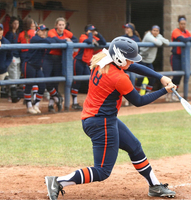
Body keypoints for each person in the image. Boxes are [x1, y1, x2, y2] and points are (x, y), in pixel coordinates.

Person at [44, 36, 177, 200]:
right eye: (128, 59)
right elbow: (139, 101)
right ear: (119, 58)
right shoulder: (119, 78)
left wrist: (160, 77)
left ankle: (154, 186)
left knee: (134, 147)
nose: (130, 63)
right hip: (101, 123)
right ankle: (58, 182)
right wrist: (165, 91)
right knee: (102, 171)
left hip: (99, 118)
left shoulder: (102, 58)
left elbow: (133, 66)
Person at [23, 24, 65, 114]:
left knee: (42, 86)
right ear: (37, 31)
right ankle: (29, 106)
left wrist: (52, 39)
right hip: (29, 64)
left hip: (38, 66)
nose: (44, 32)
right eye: (42, 30)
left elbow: (50, 40)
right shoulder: (35, 38)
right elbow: (49, 40)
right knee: (29, 85)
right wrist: (53, 39)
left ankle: (36, 105)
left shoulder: (42, 39)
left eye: (45, 31)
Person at [43, 17, 78, 113]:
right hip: (49, 58)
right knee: (46, 79)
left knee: (56, 82)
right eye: (59, 25)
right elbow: (55, 40)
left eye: (63, 25)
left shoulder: (67, 33)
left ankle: (51, 105)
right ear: (56, 25)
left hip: (59, 59)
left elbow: (75, 40)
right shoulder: (51, 31)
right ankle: (57, 97)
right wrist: (67, 41)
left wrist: (69, 40)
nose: (61, 27)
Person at [71, 24, 106, 110]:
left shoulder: (93, 37)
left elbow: (103, 42)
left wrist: (97, 34)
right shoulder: (83, 36)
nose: (93, 32)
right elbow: (89, 41)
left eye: (93, 30)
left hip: (86, 64)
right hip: (78, 61)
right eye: (91, 30)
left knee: (91, 80)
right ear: (86, 31)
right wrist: (90, 34)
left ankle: (93, 102)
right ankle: (74, 102)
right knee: (77, 82)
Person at [169, 15, 191, 101]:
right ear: (179, 23)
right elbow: (183, 39)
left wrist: (188, 38)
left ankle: (173, 93)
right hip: (175, 56)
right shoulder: (175, 31)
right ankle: (170, 93)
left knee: (181, 75)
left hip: (183, 57)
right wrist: (189, 39)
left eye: (184, 24)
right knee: (176, 75)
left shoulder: (186, 32)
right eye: (181, 24)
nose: (183, 25)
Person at [136, 25, 169, 94]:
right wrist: (160, 39)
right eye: (154, 30)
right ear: (151, 31)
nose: (155, 32)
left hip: (149, 61)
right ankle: (136, 94)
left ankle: (147, 93)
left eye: (157, 31)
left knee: (153, 77)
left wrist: (159, 37)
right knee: (140, 77)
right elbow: (159, 43)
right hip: (142, 60)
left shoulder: (158, 36)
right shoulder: (148, 36)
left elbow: (167, 42)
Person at [0, 23, 12, 116]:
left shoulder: (6, 42)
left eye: (1, 30)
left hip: (1, 71)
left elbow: (10, 56)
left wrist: (5, 65)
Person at [5, 16, 21, 103]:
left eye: (17, 23)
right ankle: (11, 95)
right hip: (12, 56)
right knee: (13, 75)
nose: (16, 25)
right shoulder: (9, 34)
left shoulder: (18, 34)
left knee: (17, 75)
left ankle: (12, 94)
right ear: (11, 24)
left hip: (18, 55)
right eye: (14, 23)